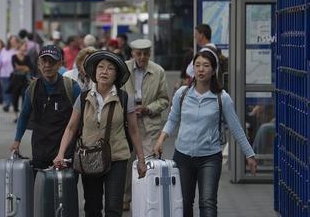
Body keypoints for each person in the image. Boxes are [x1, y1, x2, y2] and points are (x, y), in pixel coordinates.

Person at [153, 48, 258, 217]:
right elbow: (172, 120)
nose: (201, 69)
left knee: (208, 203)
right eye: (197, 65)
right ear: (192, 68)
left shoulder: (221, 97)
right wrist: (160, 140)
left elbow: (236, 128)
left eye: (206, 65)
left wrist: (249, 154)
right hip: (183, 155)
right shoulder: (182, 93)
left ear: (213, 69)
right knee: (183, 203)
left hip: (210, 157)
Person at [53, 50, 147, 217]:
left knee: (113, 207)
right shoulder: (83, 98)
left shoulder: (125, 98)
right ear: (94, 73)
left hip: (117, 158)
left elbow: (133, 130)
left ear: (116, 74)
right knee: (92, 207)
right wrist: (60, 154)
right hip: (89, 157)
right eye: (101, 67)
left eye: (110, 68)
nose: (104, 71)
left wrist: (141, 160)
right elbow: (71, 128)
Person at [9, 45, 81, 171]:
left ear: (59, 64)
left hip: (65, 150)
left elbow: (81, 118)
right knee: (41, 188)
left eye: (52, 62)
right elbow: (24, 115)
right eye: (44, 61)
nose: (47, 65)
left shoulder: (72, 88)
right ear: (38, 64)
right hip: (40, 149)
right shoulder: (32, 89)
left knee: (65, 188)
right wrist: (17, 140)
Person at [121, 39, 169, 211]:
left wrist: (148, 108)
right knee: (126, 162)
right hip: (126, 124)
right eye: (138, 53)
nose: (142, 57)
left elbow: (164, 100)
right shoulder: (123, 68)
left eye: (146, 53)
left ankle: (148, 199)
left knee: (148, 163)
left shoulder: (158, 71)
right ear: (132, 53)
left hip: (149, 125)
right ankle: (125, 199)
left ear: (150, 53)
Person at [9, 40, 34, 115]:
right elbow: (15, 67)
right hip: (16, 79)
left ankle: (23, 114)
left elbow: (30, 68)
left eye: (26, 46)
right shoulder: (14, 56)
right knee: (15, 97)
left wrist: (20, 67)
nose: (26, 47)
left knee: (25, 95)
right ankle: (16, 115)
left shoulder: (27, 57)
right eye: (25, 46)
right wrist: (24, 67)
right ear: (20, 46)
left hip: (24, 79)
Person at [0, 35, 19, 112]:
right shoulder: (4, 50)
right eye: (12, 40)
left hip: (15, 74)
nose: (13, 42)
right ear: (9, 41)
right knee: (6, 89)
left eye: (15, 41)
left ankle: (11, 103)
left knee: (14, 90)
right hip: (4, 73)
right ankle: (7, 104)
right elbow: (0, 61)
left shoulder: (18, 50)